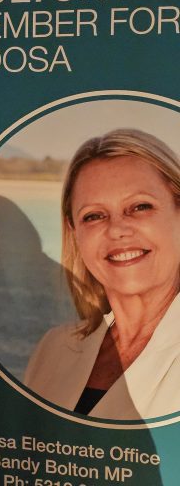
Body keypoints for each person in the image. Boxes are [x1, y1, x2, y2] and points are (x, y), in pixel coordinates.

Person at [25, 128, 180, 420]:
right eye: (94, 216)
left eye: (140, 206)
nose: (117, 229)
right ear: (74, 231)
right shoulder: (54, 348)